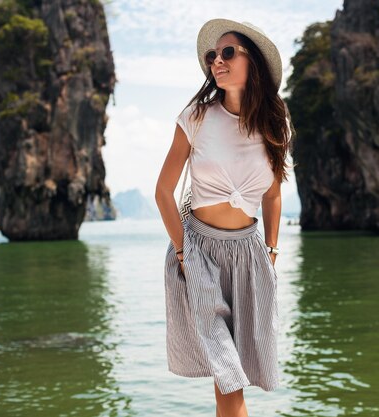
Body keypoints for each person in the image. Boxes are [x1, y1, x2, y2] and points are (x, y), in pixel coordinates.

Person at [155, 18, 293, 417]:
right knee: (228, 374)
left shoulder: (275, 123)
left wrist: (270, 250)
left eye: (228, 52)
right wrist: (183, 254)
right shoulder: (196, 117)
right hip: (199, 251)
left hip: (250, 256)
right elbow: (163, 191)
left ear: (254, 63)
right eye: (211, 55)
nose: (217, 60)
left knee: (232, 376)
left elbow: (273, 193)